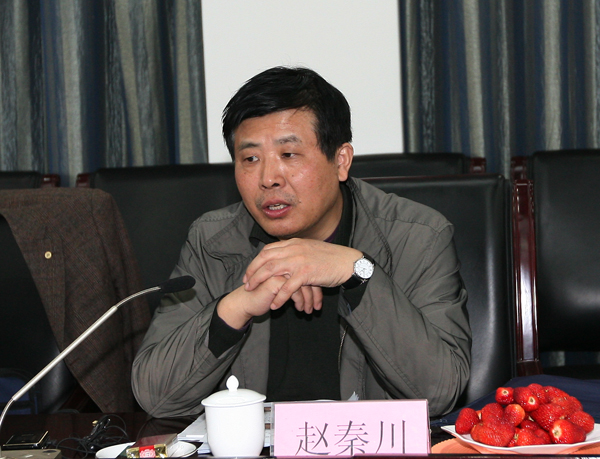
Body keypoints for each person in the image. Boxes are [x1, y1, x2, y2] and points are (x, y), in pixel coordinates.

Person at [131, 66, 471, 418]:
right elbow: (156, 397)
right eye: (250, 159)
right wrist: (237, 307)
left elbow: (441, 392)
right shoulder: (211, 242)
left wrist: (355, 272)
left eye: (288, 155)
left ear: (341, 161)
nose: (268, 178)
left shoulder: (418, 236)